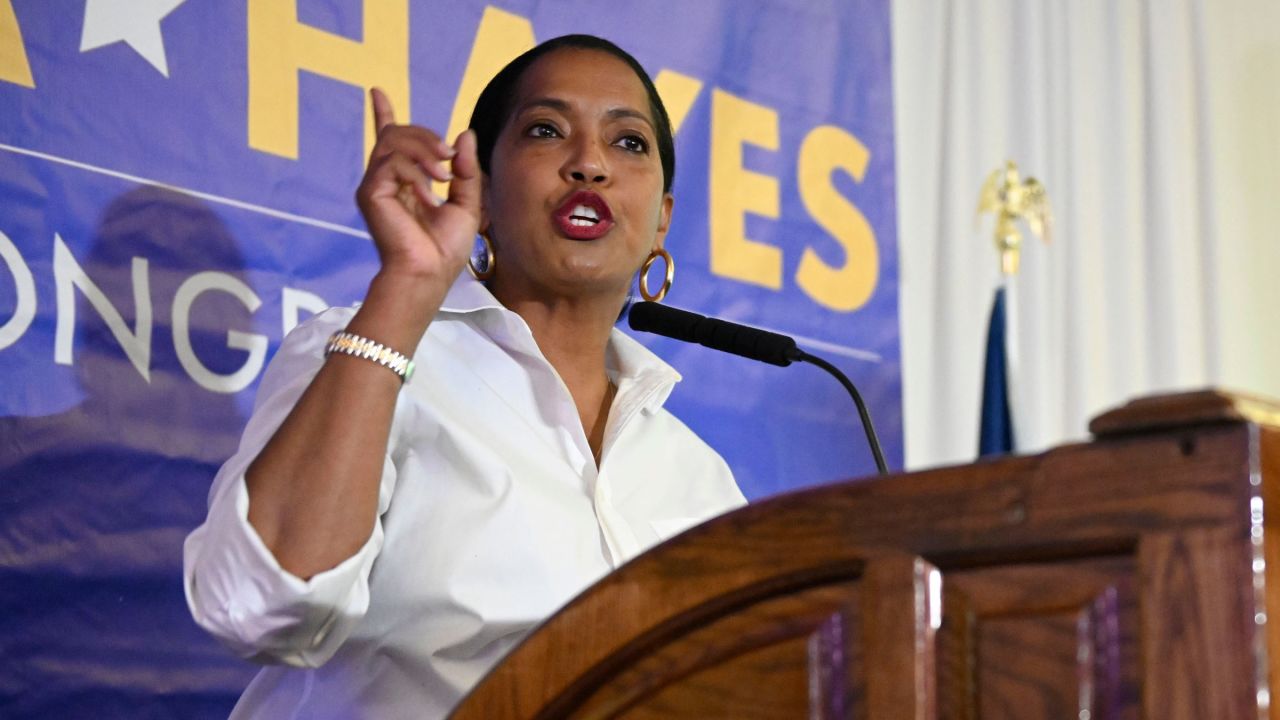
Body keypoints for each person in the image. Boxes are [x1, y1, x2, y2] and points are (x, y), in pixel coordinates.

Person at [183, 35, 745, 719]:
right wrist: (408, 286)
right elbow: (256, 606)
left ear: (662, 217)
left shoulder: (698, 477)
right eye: (546, 130)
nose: (590, 164)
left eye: (628, 143)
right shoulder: (372, 355)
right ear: (478, 192)